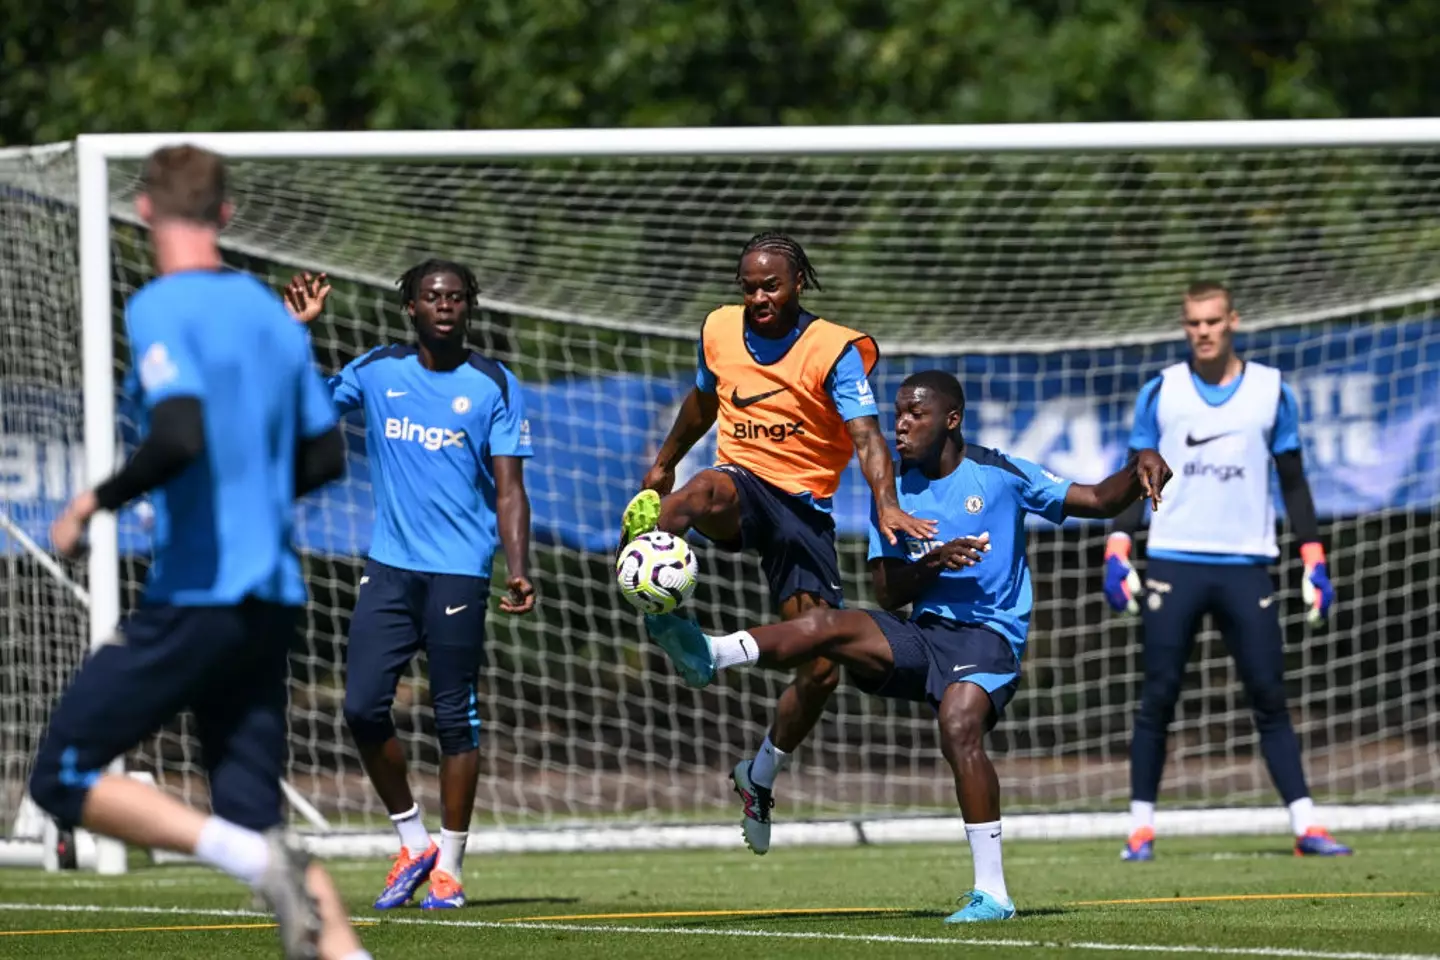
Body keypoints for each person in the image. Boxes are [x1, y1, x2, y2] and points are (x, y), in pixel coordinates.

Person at [646, 370, 1171, 921]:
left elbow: (1096, 500)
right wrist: (935, 563)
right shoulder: (891, 487)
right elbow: (888, 591)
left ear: (951, 420)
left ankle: (992, 894)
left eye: (914, 415)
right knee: (832, 626)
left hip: (988, 638)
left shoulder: (999, 473)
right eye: (897, 413)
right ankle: (713, 654)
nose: (899, 425)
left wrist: (1140, 467)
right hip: (924, 636)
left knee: (959, 723)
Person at [32, 145, 367, 960]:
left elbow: (177, 434)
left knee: (63, 776)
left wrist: (90, 503)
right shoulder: (267, 316)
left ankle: (250, 858)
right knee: (255, 809)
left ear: (142, 209)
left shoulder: (160, 306)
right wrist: (251, 494)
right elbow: (325, 458)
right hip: (273, 601)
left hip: (200, 594)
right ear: (226, 215)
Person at [617, 232, 935, 855]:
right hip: (741, 483)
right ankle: (670, 622)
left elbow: (868, 438)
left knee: (820, 666)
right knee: (690, 497)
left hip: (804, 510)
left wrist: (887, 502)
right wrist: (664, 463)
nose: (759, 296)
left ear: (797, 285)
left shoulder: (834, 349)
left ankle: (760, 774)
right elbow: (704, 400)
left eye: (772, 285)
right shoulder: (718, 329)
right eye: (749, 286)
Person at [284, 263, 536, 909]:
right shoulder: (376, 370)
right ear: (410, 308)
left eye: (456, 297)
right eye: (432, 297)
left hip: (459, 569)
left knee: (455, 716)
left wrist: (518, 566)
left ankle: (450, 866)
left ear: (469, 308)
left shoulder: (495, 384)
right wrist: (295, 335)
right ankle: (411, 839)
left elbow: (509, 488)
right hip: (391, 566)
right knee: (362, 706)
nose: (445, 306)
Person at [1103, 280, 1349, 860]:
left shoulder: (1270, 390)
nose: (1203, 331)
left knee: (1269, 695)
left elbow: (1293, 479)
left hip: (1246, 563)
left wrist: (1313, 557)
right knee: (1158, 695)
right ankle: (1140, 828)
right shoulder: (1161, 391)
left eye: (1213, 321)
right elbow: (1137, 473)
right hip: (1173, 559)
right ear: (1184, 326)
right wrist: (1118, 546)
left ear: (1232, 321)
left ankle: (1306, 825)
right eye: (1193, 322)